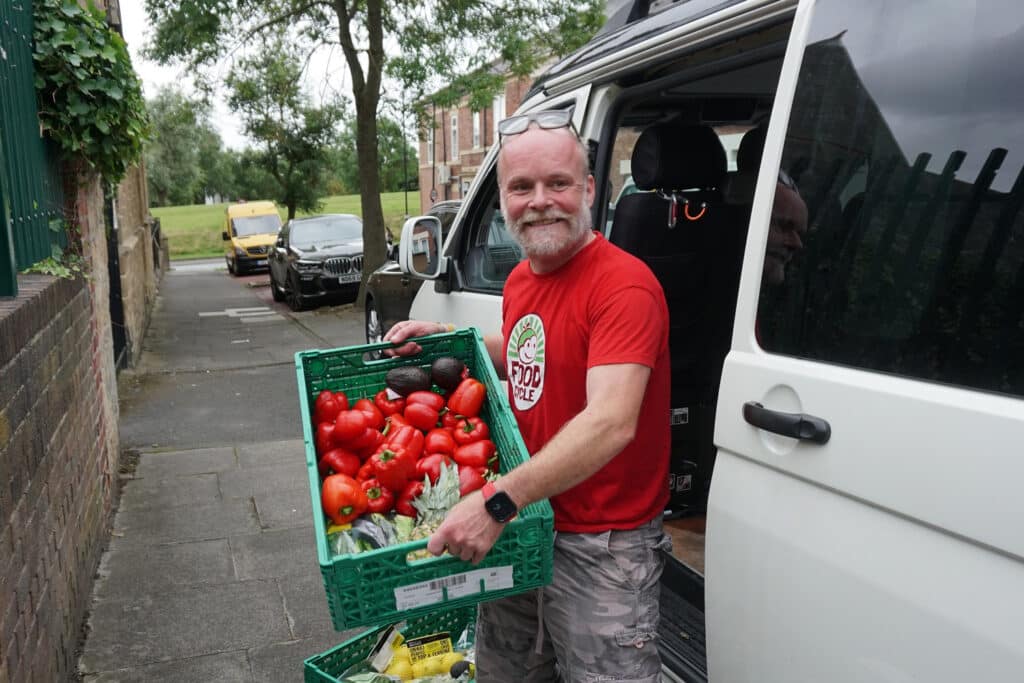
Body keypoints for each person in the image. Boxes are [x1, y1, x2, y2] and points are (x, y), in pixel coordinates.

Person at [383, 110, 672, 682]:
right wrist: (450, 341)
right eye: (522, 187)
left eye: (558, 183)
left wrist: (495, 502)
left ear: (589, 188)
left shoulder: (624, 286)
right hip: (525, 525)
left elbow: (611, 421)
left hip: (600, 550)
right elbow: (527, 348)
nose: (540, 201)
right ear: (504, 197)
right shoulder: (522, 279)